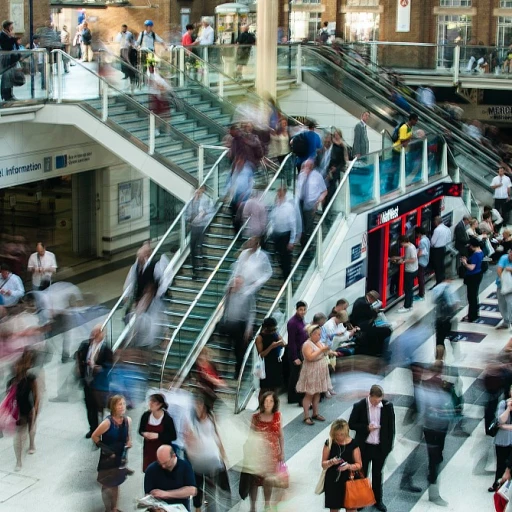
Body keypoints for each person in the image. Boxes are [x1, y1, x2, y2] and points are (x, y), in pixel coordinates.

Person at [349, 385, 395, 512]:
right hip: (364, 447)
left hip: (380, 448)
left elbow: (391, 428)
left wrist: (388, 447)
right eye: (375, 400)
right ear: (370, 396)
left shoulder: (387, 407)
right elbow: (351, 424)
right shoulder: (359, 406)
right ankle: (361, 500)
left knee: (377, 474)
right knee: (362, 474)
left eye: (379, 400)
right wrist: (366, 428)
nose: (377, 403)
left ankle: (377, 500)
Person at [185, 395, 227, 512]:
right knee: (197, 486)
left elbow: (216, 435)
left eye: (199, 404)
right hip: (197, 460)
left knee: (211, 487)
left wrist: (222, 454)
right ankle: (197, 507)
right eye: (196, 405)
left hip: (211, 458)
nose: (197, 407)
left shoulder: (210, 417)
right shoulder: (191, 420)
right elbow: (187, 438)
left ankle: (210, 508)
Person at [92, 395, 132, 512]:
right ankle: (107, 509)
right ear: (113, 406)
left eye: (123, 404)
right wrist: (106, 450)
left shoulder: (127, 421)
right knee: (106, 485)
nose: (122, 407)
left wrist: (129, 441)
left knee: (116, 484)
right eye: (119, 404)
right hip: (107, 460)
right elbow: (95, 436)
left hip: (120, 458)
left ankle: (114, 508)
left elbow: (128, 436)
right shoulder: (107, 423)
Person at [249, 391, 285, 512]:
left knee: (268, 481)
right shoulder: (255, 418)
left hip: (272, 455)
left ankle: (267, 504)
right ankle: (253, 507)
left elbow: (280, 435)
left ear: (274, 403)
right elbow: (250, 436)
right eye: (266, 401)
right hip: (257, 455)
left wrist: (282, 451)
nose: (268, 404)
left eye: (271, 401)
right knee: (253, 482)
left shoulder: (278, 416)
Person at [76, 324, 113, 438]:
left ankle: (101, 430)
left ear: (103, 334)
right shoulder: (85, 345)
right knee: (89, 406)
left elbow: (109, 366)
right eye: (94, 331)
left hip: (99, 384)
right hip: (87, 381)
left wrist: (100, 369)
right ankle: (92, 428)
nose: (95, 334)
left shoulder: (106, 349)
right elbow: (78, 356)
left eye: (98, 332)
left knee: (99, 408)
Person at [296, 324, 335, 425]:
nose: (319, 336)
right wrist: (322, 350)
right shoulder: (307, 344)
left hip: (320, 370)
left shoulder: (320, 342)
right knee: (309, 394)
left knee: (317, 392)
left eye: (320, 334)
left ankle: (315, 413)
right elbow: (309, 357)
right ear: (311, 334)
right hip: (311, 371)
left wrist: (329, 351)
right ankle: (306, 416)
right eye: (317, 334)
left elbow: (324, 353)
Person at [322, 419, 363, 512]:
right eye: (336, 435)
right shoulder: (329, 443)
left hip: (350, 479)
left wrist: (348, 466)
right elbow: (323, 464)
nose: (339, 437)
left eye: (342, 434)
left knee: (351, 508)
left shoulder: (354, 444)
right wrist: (331, 462)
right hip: (333, 480)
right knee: (334, 508)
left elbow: (359, 464)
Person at [8, 349, 39, 471]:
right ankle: (18, 461)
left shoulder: (31, 378)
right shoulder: (11, 382)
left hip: (28, 409)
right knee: (18, 436)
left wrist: (35, 410)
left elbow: (36, 396)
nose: (16, 367)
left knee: (31, 430)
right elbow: (9, 400)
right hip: (18, 413)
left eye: (18, 365)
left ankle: (32, 443)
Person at [144, 444, 197, 510]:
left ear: (174, 456)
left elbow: (192, 490)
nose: (163, 466)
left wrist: (166, 494)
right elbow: (148, 495)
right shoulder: (151, 470)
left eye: (166, 463)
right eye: (160, 463)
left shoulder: (185, 466)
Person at [139, 394, 177, 472]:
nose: (150, 403)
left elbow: (173, 436)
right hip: (148, 450)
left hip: (162, 452)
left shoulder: (167, 419)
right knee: (149, 471)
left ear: (160, 404)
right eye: (150, 401)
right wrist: (144, 434)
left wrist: (158, 436)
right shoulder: (146, 416)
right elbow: (140, 430)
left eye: (154, 402)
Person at [350, 291, 392, 358]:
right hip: (362, 326)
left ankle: (380, 351)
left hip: (364, 324)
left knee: (383, 330)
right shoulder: (364, 304)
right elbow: (371, 315)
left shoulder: (361, 300)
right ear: (372, 298)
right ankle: (379, 351)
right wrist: (376, 311)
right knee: (386, 331)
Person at [269, 187, 298, 280]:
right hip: (277, 234)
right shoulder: (276, 206)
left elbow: (293, 224)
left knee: (286, 257)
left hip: (286, 235)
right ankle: (283, 273)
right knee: (279, 255)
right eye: (278, 192)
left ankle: (287, 276)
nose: (278, 194)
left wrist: (292, 241)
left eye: (280, 192)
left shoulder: (289, 207)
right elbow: (272, 218)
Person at [296, 159, 327, 245]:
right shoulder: (301, 175)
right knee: (301, 225)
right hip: (300, 202)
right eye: (305, 166)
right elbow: (298, 189)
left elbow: (324, 191)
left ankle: (307, 246)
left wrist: (318, 202)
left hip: (311, 204)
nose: (306, 168)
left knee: (308, 226)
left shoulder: (317, 176)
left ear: (312, 167)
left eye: (308, 166)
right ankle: (303, 242)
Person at [186, 186, 213, 279]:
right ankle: (194, 271)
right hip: (194, 227)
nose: (198, 193)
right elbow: (187, 215)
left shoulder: (206, 200)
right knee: (193, 248)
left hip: (202, 227)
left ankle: (204, 262)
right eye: (197, 191)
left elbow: (211, 212)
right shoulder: (191, 202)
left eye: (200, 191)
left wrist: (203, 216)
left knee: (201, 246)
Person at [256, 317, 286, 399]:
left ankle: (273, 405)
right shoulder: (259, 338)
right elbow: (261, 354)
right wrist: (271, 347)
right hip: (266, 364)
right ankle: (262, 406)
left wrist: (280, 342)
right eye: (272, 329)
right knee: (264, 388)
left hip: (275, 363)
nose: (273, 331)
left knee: (275, 387)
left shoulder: (275, 334)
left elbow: (284, 343)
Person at [287, 301, 308, 405]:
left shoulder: (301, 320)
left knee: (298, 375)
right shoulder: (292, 323)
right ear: (296, 309)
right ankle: (292, 397)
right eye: (300, 310)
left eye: (304, 310)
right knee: (295, 376)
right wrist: (295, 357)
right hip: (295, 352)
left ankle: (296, 396)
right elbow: (291, 342)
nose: (303, 312)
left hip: (301, 351)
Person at [432, 279, 459, 360]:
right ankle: (456, 354)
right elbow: (454, 304)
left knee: (439, 339)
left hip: (439, 318)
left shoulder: (436, 289)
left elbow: (433, 301)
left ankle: (439, 357)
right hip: (448, 318)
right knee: (452, 337)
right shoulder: (449, 289)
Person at [490, 392, 512, 493]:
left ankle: (506, 487)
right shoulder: (503, 403)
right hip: (502, 439)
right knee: (500, 464)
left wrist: (504, 427)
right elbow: (500, 420)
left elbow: (501, 425)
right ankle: (497, 484)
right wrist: (508, 409)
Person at [461, 239, 484, 323]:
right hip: (478, 275)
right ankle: (474, 314)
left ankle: (472, 316)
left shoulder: (476, 255)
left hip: (473, 277)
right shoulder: (481, 252)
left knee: (471, 297)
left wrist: (465, 263)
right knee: (474, 296)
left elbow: (471, 267)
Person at [395, 235, 418, 313]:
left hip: (410, 271)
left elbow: (413, 259)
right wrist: (400, 258)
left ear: (404, 242)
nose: (401, 246)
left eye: (401, 244)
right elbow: (407, 257)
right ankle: (409, 305)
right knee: (409, 289)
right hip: (413, 270)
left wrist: (403, 261)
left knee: (407, 289)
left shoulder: (410, 248)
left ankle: (407, 306)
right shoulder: (410, 246)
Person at [430, 216, 452, 287]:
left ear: (436, 222)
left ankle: (438, 281)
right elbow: (449, 239)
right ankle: (442, 279)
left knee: (437, 266)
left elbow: (433, 242)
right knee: (441, 265)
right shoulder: (447, 229)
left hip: (436, 250)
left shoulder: (437, 230)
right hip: (443, 248)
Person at [0, 20, 19, 101]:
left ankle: (10, 93)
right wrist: (13, 39)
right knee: (6, 76)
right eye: (11, 26)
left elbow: (15, 46)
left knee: (10, 76)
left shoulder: (9, 35)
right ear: (7, 27)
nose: (12, 28)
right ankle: (6, 94)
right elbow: (6, 45)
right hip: (6, 58)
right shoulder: (2, 35)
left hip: (11, 58)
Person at [496, 249, 512, 330]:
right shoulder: (504, 258)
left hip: (511, 287)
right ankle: (506, 321)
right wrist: (503, 281)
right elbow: (499, 269)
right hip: (501, 285)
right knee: (502, 304)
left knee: (510, 304)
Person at [415, 226, 430, 301]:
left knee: (420, 278)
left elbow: (420, 253)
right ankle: (421, 293)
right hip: (425, 261)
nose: (416, 236)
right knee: (421, 278)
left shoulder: (422, 241)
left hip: (421, 262)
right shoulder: (426, 239)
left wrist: (414, 256)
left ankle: (421, 295)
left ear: (419, 233)